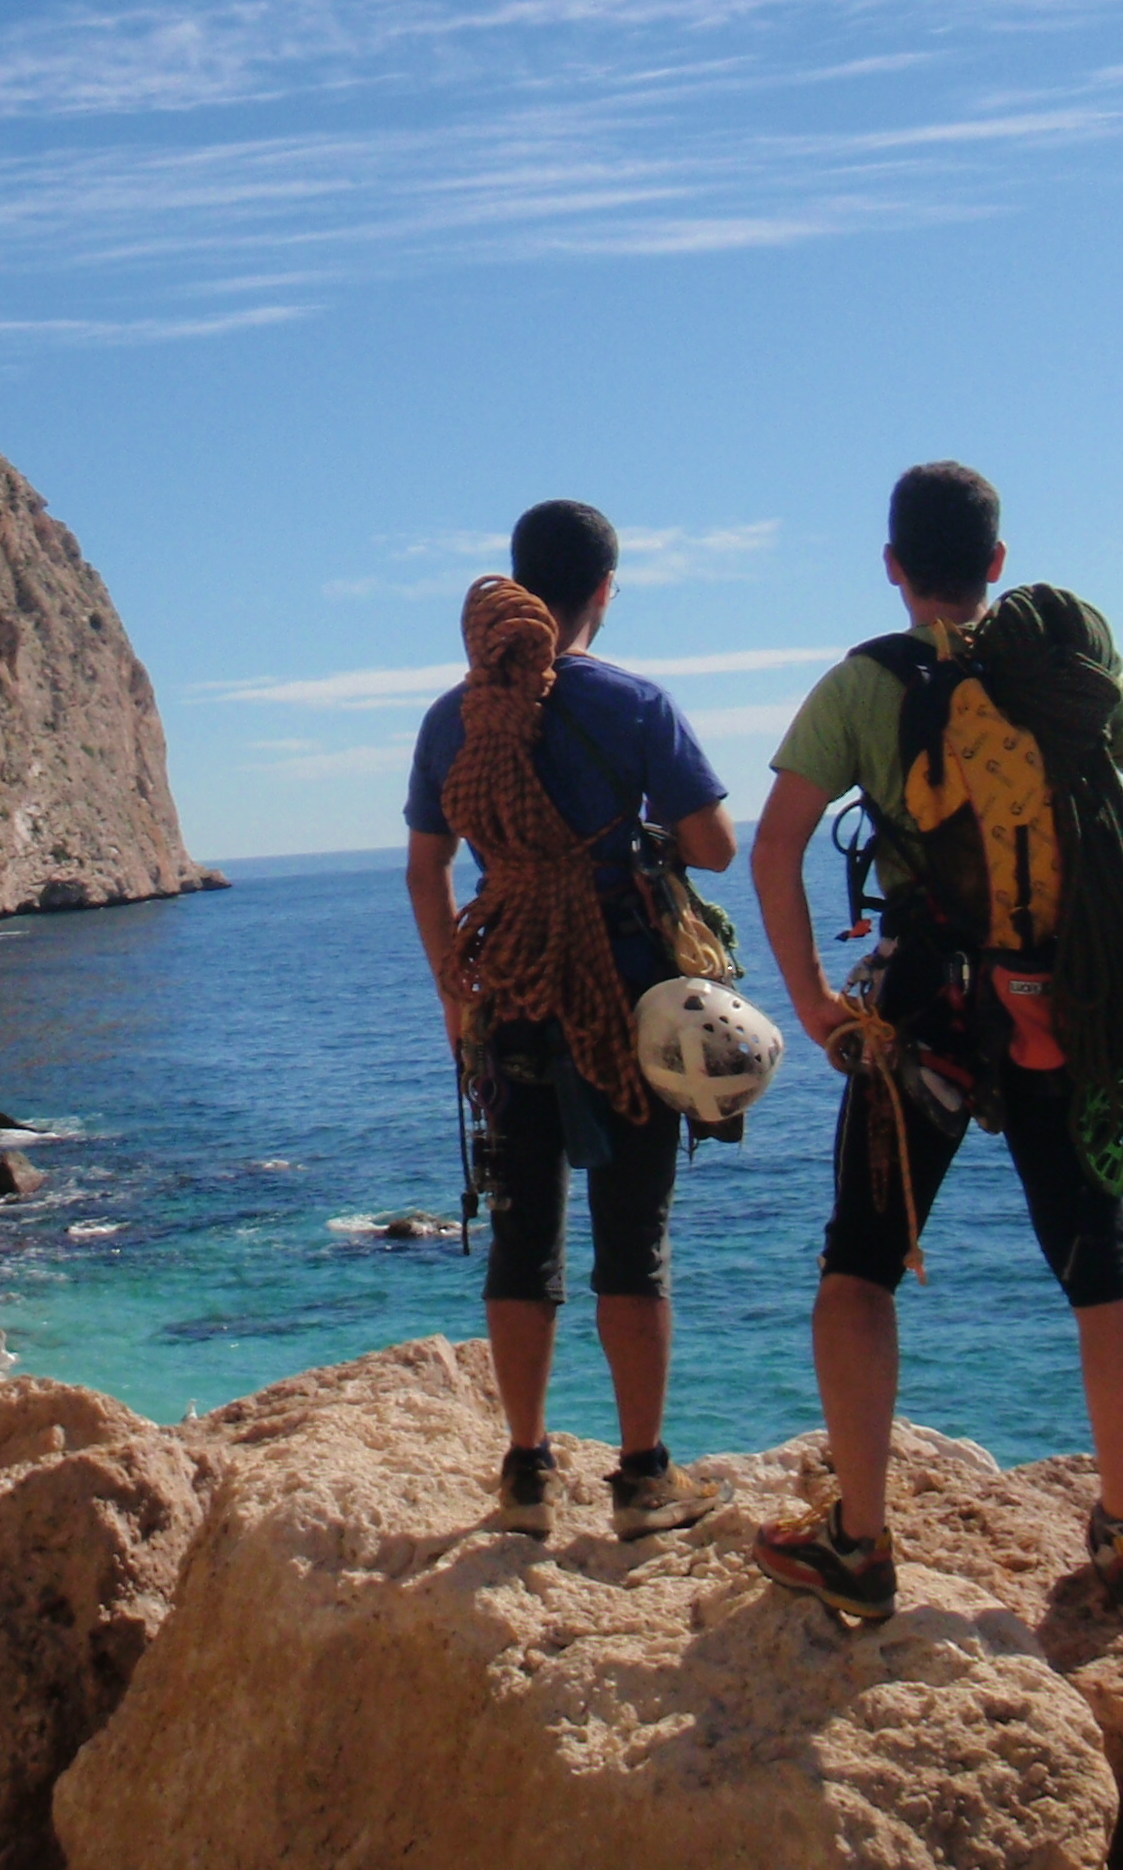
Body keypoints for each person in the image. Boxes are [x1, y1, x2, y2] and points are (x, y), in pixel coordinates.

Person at [746, 462, 1123, 1625]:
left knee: (859, 1268)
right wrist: (1115, 953)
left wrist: (813, 1000)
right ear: (998, 565)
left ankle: (860, 1543)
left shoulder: (863, 685)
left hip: (924, 1011)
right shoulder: (1065, 672)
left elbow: (774, 850)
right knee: (1101, 1272)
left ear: (895, 567)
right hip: (1057, 1011)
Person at [407, 499, 739, 1537]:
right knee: (631, 1243)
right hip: (622, 1003)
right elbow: (718, 845)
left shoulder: (450, 719)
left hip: (506, 995)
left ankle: (524, 1473)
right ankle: (643, 1479)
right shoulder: (637, 706)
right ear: (604, 590)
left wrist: (455, 996)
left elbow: (426, 869)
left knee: (522, 1239)